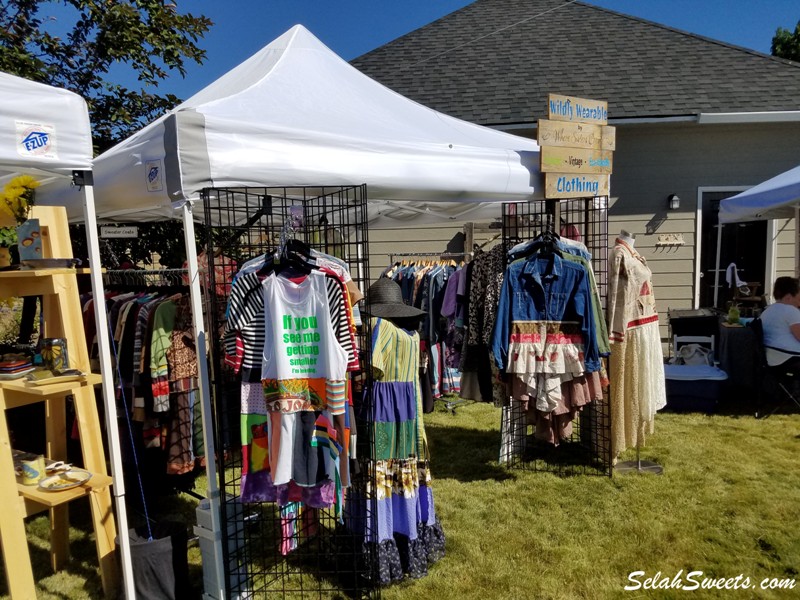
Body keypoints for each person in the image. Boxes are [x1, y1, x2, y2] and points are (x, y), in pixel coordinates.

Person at [759, 276, 800, 368]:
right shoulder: (791, 311)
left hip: (772, 357)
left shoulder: (767, 311)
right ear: (789, 297)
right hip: (790, 357)